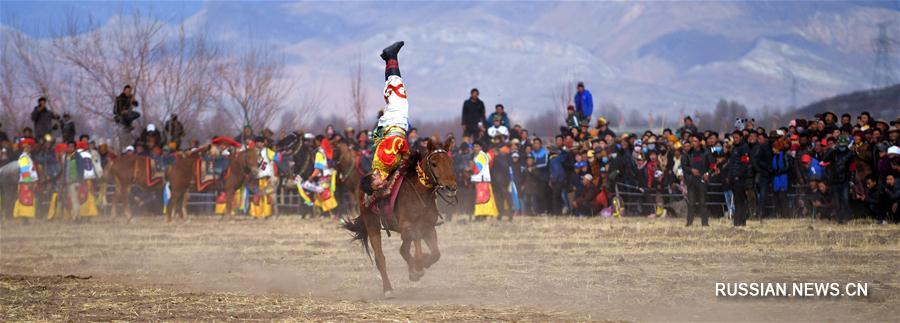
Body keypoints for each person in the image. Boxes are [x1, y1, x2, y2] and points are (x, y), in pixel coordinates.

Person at [363, 41, 413, 205]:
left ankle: (391, 56)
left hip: (394, 125)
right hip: (388, 126)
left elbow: (398, 143)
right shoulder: (380, 168)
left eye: (376, 184)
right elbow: (376, 141)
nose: (380, 186)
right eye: (377, 188)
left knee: (398, 94)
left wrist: (406, 155)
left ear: (373, 177)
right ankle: (389, 59)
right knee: (394, 93)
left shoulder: (385, 163)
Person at [820, 135, 855, 224]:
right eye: (841, 145)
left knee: (845, 199)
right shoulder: (833, 152)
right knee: (836, 202)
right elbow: (824, 160)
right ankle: (840, 219)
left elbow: (853, 168)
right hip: (834, 180)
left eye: (844, 145)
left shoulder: (850, 154)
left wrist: (852, 180)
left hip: (845, 180)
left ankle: (847, 217)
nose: (842, 147)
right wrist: (831, 149)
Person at [682, 134, 711, 226]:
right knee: (691, 203)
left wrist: (707, 173)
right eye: (692, 141)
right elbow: (684, 166)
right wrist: (691, 170)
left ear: (700, 142)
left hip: (702, 180)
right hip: (691, 181)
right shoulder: (688, 153)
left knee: (703, 202)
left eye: (695, 141)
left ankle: (705, 223)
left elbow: (712, 165)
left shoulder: (706, 152)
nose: (693, 143)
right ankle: (689, 223)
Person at [726, 131, 751, 226]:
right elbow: (731, 164)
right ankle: (737, 221)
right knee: (736, 200)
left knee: (741, 200)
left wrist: (739, 175)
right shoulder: (734, 148)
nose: (735, 139)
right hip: (733, 178)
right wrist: (729, 176)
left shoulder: (744, 148)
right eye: (734, 137)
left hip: (740, 178)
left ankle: (741, 221)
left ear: (741, 137)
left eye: (736, 137)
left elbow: (745, 164)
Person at [13, 138, 39, 219]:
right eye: (26, 147)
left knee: (28, 199)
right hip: (26, 182)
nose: (28, 148)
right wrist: (28, 182)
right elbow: (24, 170)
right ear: (23, 148)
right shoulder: (24, 157)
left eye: (29, 146)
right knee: (25, 199)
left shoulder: (28, 157)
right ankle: (25, 218)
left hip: (28, 181)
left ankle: (26, 217)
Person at [471, 141, 497, 218]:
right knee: (484, 197)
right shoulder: (479, 155)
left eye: (477, 146)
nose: (475, 148)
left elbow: (478, 168)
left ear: (480, 147)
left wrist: (470, 169)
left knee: (481, 197)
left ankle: (481, 214)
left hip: (482, 180)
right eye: (474, 147)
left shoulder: (481, 156)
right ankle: (483, 213)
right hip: (481, 179)